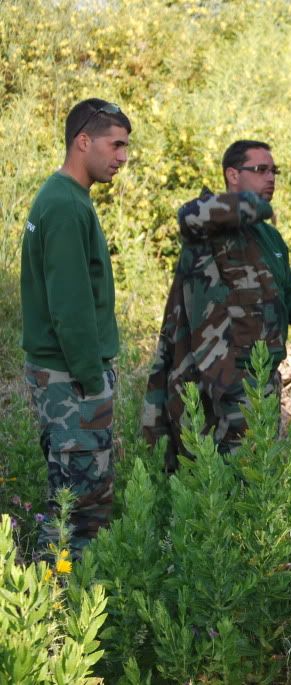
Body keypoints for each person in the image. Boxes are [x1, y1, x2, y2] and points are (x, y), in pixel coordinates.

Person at [142, 140, 291, 468]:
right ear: (232, 175)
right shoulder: (209, 226)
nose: (271, 178)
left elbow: (288, 285)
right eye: (261, 170)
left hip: (264, 372)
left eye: (274, 171)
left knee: (257, 465)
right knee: (220, 464)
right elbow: (188, 216)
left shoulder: (270, 238)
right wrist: (256, 206)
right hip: (221, 373)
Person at [21, 98, 132, 557]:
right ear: (83, 141)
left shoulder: (64, 197)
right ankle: (60, 608)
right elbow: (70, 307)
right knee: (80, 509)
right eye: (116, 144)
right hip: (72, 380)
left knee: (74, 497)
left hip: (64, 376)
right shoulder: (65, 205)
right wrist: (92, 382)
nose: (123, 156)